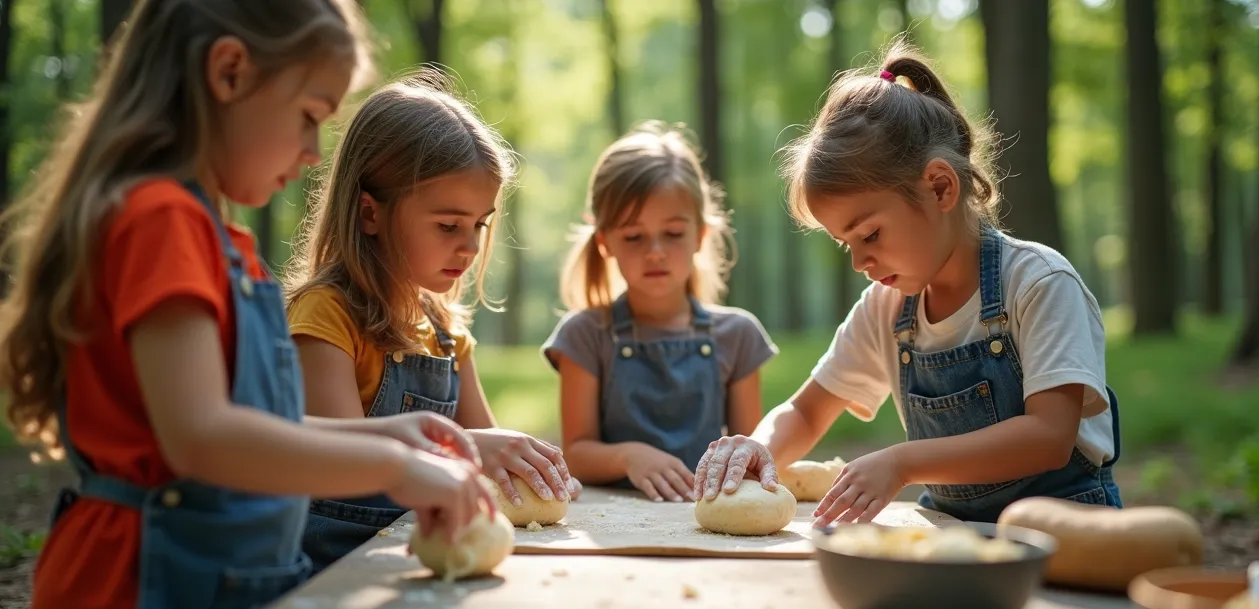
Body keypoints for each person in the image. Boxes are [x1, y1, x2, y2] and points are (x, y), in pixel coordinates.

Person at [0, 3, 493, 609]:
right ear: (229, 72)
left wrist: (386, 434)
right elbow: (202, 436)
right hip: (138, 604)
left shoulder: (212, 236)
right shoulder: (161, 220)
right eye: (309, 116)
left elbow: (255, 425)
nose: (315, 151)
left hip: (200, 590)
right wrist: (392, 466)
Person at [692, 41, 1122, 526]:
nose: (858, 260)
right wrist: (759, 447)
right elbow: (808, 412)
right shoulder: (886, 307)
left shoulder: (1038, 283)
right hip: (953, 531)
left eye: (870, 234)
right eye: (844, 243)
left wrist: (903, 462)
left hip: (1069, 535)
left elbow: (1048, 436)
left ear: (940, 187)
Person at [284, 70, 577, 574]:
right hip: (333, 577)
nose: (469, 246)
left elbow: (487, 452)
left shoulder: (446, 333)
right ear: (370, 213)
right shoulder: (326, 317)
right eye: (448, 225)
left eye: (479, 225)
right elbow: (337, 462)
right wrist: (467, 452)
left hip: (427, 568)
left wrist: (523, 469)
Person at [542, 121, 778, 503]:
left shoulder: (739, 335)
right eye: (634, 236)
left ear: (700, 234)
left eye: (672, 233)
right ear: (605, 243)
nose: (655, 251)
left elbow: (747, 454)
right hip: (609, 522)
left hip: (706, 519)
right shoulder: (584, 335)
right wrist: (629, 456)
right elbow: (577, 452)